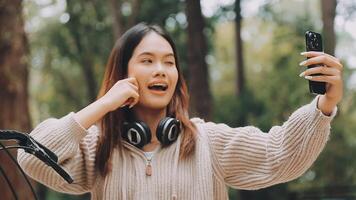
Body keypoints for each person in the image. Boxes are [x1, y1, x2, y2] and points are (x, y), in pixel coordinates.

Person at [18, 23, 343, 200]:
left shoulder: (209, 142)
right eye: (147, 61)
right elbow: (31, 156)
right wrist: (103, 105)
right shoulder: (96, 149)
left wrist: (325, 105)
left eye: (169, 62)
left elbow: (281, 155)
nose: (161, 70)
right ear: (122, 74)